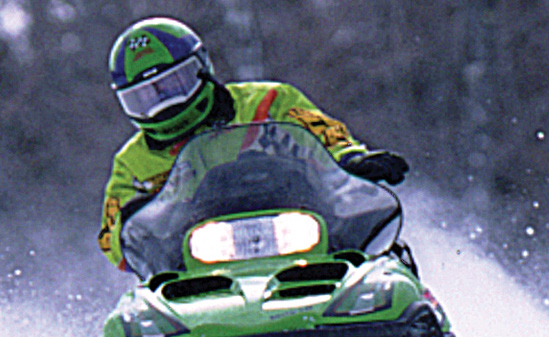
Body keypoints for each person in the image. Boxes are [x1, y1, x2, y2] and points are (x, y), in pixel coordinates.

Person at [97, 16, 411, 271]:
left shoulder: (270, 101)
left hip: (303, 229)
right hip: (200, 262)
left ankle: (410, 313)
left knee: (383, 258)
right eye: (144, 98)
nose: (165, 105)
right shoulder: (132, 162)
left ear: (202, 68)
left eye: (174, 85)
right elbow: (111, 239)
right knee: (141, 303)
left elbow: (322, 131)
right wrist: (134, 220)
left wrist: (351, 159)